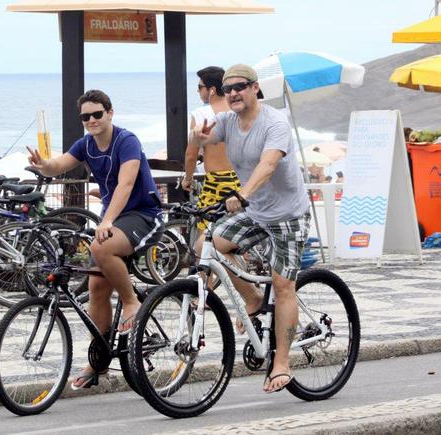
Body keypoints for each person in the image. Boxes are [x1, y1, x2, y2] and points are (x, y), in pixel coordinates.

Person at [26, 89, 163, 390]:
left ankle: (131, 302)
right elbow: (60, 165)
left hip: (142, 214)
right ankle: (98, 361)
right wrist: (43, 165)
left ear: (110, 113)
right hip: (113, 217)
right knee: (97, 288)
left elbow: (126, 184)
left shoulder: (126, 141)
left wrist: (108, 220)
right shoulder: (86, 144)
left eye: (97, 114)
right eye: (85, 116)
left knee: (101, 246)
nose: (91, 120)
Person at [191, 64, 310, 393]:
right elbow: (202, 137)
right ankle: (254, 299)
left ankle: (282, 363)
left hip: (287, 215)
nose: (233, 93)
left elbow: (268, 164)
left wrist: (242, 195)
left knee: (283, 284)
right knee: (207, 245)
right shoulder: (228, 121)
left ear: (255, 88)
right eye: (228, 89)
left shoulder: (274, 122)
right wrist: (196, 137)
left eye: (240, 87)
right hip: (257, 212)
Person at [182, 66, 242, 257]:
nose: (198, 91)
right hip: (242, 180)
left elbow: (191, 154)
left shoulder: (201, 114)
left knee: (205, 239)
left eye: (200, 87)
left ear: (212, 90)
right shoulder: (237, 111)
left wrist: (187, 179)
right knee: (235, 232)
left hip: (216, 183)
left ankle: (205, 284)